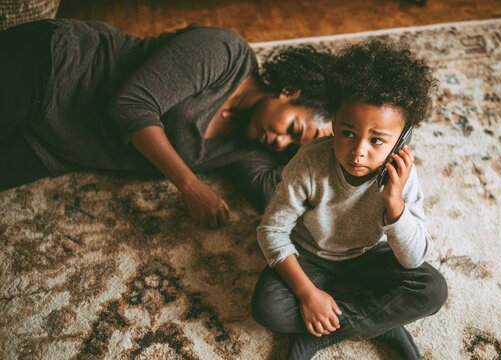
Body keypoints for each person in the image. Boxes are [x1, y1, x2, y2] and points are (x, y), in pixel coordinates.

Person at [0, 19, 335, 227]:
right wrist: (190, 186)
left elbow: (277, 196)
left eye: (291, 148)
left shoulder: (247, 148)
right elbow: (131, 105)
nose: (279, 143)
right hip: (54, 67)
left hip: (50, 145)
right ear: (289, 92)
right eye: (292, 130)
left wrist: (353, 160)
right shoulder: (226, 53)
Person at [251, 39, 448, 360]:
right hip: (310, 255)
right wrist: (307, 293)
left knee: (432, 290)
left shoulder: (401, 174)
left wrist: (394, 204)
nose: (358, 151)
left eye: (377, 140)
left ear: (401, 140)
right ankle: (382, 323)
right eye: (347, 133)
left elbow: (413, 260)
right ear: (333, 120)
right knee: (267, 309)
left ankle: (318, 337)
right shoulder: (310, 161)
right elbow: (271, 231)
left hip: (368, 256)